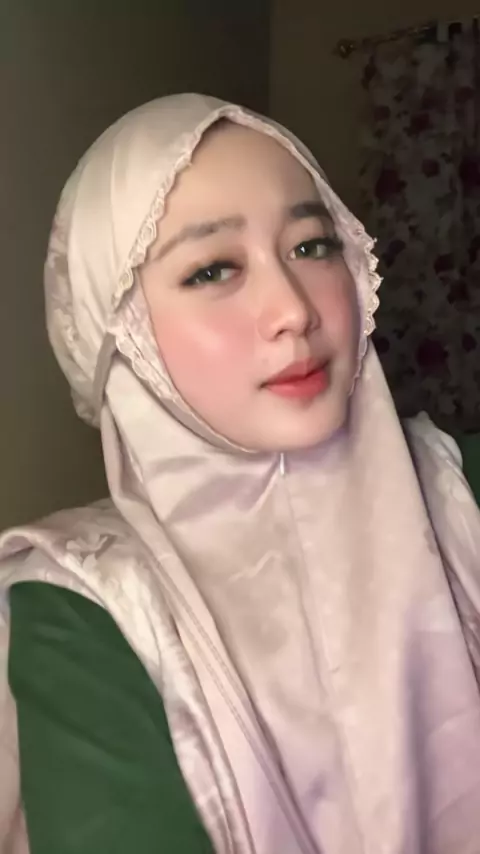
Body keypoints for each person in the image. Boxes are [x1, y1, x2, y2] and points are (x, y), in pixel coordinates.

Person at [1, 94, 480, 854]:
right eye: (214, 269)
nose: (293, 309)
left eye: (312, 246)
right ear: (116, 330)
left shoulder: (460, 492)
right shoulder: (77, 612)